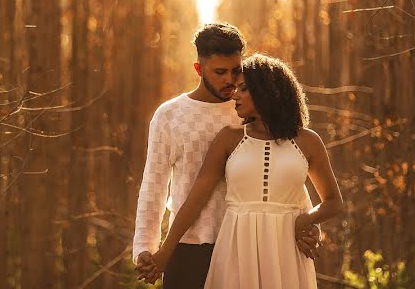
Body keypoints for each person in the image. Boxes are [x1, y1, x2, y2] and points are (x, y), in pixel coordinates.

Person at [132, 24, 318, 288]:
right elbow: (153, 186)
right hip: (188, 246)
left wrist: (309, 224)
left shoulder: (248, 108)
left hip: (247, 247)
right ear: (199, 69)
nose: (230, 80)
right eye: (220, 72)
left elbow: (283, 171)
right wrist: (145, 247)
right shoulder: (170, 115)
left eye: (236, 70)